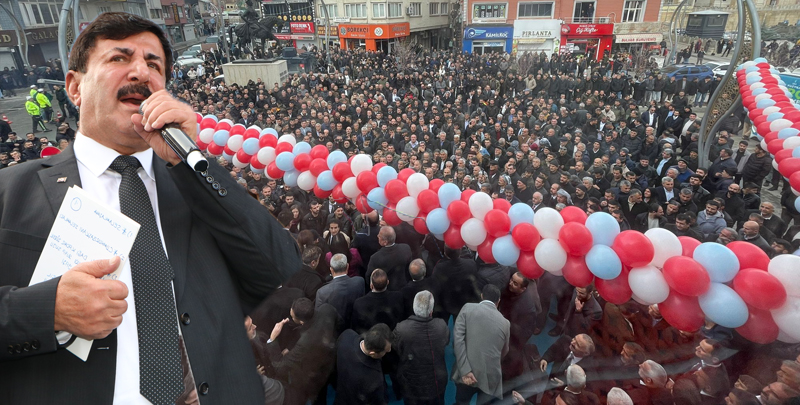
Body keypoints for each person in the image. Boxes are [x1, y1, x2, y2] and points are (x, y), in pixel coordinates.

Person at [0, 13, 301, 403]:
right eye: (119, 58)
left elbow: (277, 266)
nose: (140, 72)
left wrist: (191, 159)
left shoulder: (195, 184)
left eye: (153, 64)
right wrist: (45, 310)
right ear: (74, 87)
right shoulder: (11, 191)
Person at [265, 300, 338, 405]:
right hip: (330, 361)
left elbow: (279, 366)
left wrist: (272, 338)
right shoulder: (327, 308)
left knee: (316, 396)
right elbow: (338, 323)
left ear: (301, 322)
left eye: (292, 317)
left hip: (314, 375)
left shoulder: (304, 344)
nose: (291, 318)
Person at [452, 284, 510, 405]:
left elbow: (458, 340)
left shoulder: (468, 308)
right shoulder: (505, 323)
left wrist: (465, 370)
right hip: (490, 376)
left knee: (461, 402)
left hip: (467, 374)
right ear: (498, 301)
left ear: (482, 296)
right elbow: (504, 351)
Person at [392, 291, 450, 405]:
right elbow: (445, 342)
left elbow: (396, 349)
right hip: (436, 384)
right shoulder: (441, 325)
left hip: (410, 386)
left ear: (414, 308)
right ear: (431, 311)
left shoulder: (401, 329)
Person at [334, 323, 393, 405]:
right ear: (372, 353)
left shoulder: (347, 335)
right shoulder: (373, 379)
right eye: (386, 351)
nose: (389, 350)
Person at [314, 253, 365, 328]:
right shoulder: (359, 282)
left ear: (331, 269)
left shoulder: (322, 292)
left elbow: (318, 316)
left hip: (334, 331)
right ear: (347, 266)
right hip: (357, 327)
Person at [366, 226, 413, 291]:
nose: (377, 236)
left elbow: (369, 277)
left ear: (385, 242)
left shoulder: (375, 258)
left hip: (388, 290)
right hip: (404, 285)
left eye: (379, 236)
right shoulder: (406, 248)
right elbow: (409, 267)